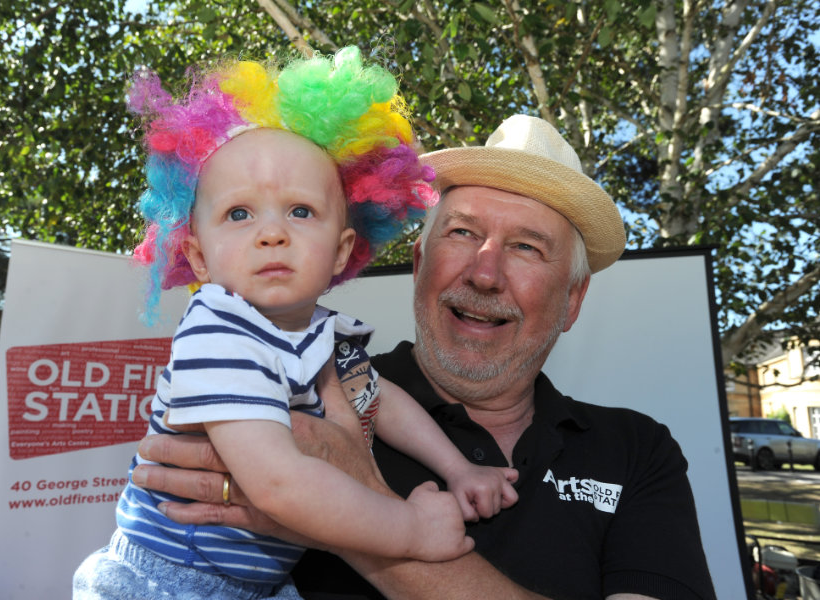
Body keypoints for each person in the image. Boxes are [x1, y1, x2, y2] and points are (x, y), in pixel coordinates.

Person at [130, 112, 719, 600]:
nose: (485, 273)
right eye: (462, 233)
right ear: (418, 268)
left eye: (525, 247)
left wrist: (368, 507)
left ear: (572, 300)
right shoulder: (288, 374)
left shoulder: (639, 451)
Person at [73, 47, 520, 600]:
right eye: (239, 214)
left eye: (300, 211)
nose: (271, 233)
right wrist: (408, 529)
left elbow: (379, 403)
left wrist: (458, 469)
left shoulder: (324, 336)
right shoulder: (220, 331)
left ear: (341, 251)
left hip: (260, 584)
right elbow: (279, 485)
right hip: (169, 582)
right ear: (200, 256)